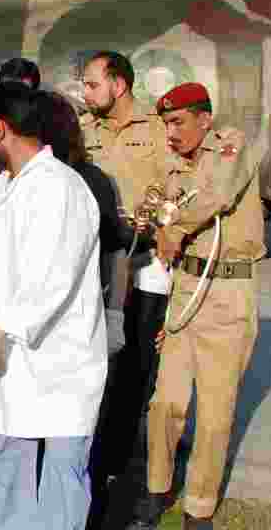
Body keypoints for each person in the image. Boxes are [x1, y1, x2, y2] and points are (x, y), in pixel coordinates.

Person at [0, 82, 107, 530]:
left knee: (62, 483)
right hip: (7, 362)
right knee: (7, 471)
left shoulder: (59, 187)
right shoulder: (4, 187)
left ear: (1, 129)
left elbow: (53, 278)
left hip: (60, 363)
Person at [127, 83, 265, 530]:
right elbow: (151, 201)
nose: (171, 133)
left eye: (178, 123)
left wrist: (176, 227)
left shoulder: (232, 146)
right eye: (166, 123)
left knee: (214, 413)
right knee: (165, 403)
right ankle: (156, 489)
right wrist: (150, 214)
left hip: (227, 291)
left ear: (205, 119)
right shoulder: (172, 160)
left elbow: (218, 194)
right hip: (185, 287)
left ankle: (199, 508)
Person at [80, 50, 170, 494]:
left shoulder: (157, 130)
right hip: (96, 263)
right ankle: (93, 449)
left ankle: (118, 458)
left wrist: (155, 222)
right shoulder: (83, 131)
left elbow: (174, 187)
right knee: (97, 359)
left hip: (144, 261)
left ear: (119, 85)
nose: (85, 92)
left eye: (92, 83)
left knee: (135, 363)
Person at [43, 90, 133, 527]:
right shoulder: (20, 181)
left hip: (84, 326)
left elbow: (117, 253)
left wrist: (116, 314)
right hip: (36, 332)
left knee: (80, 436)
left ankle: (87, 517)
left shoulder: (93, 181)